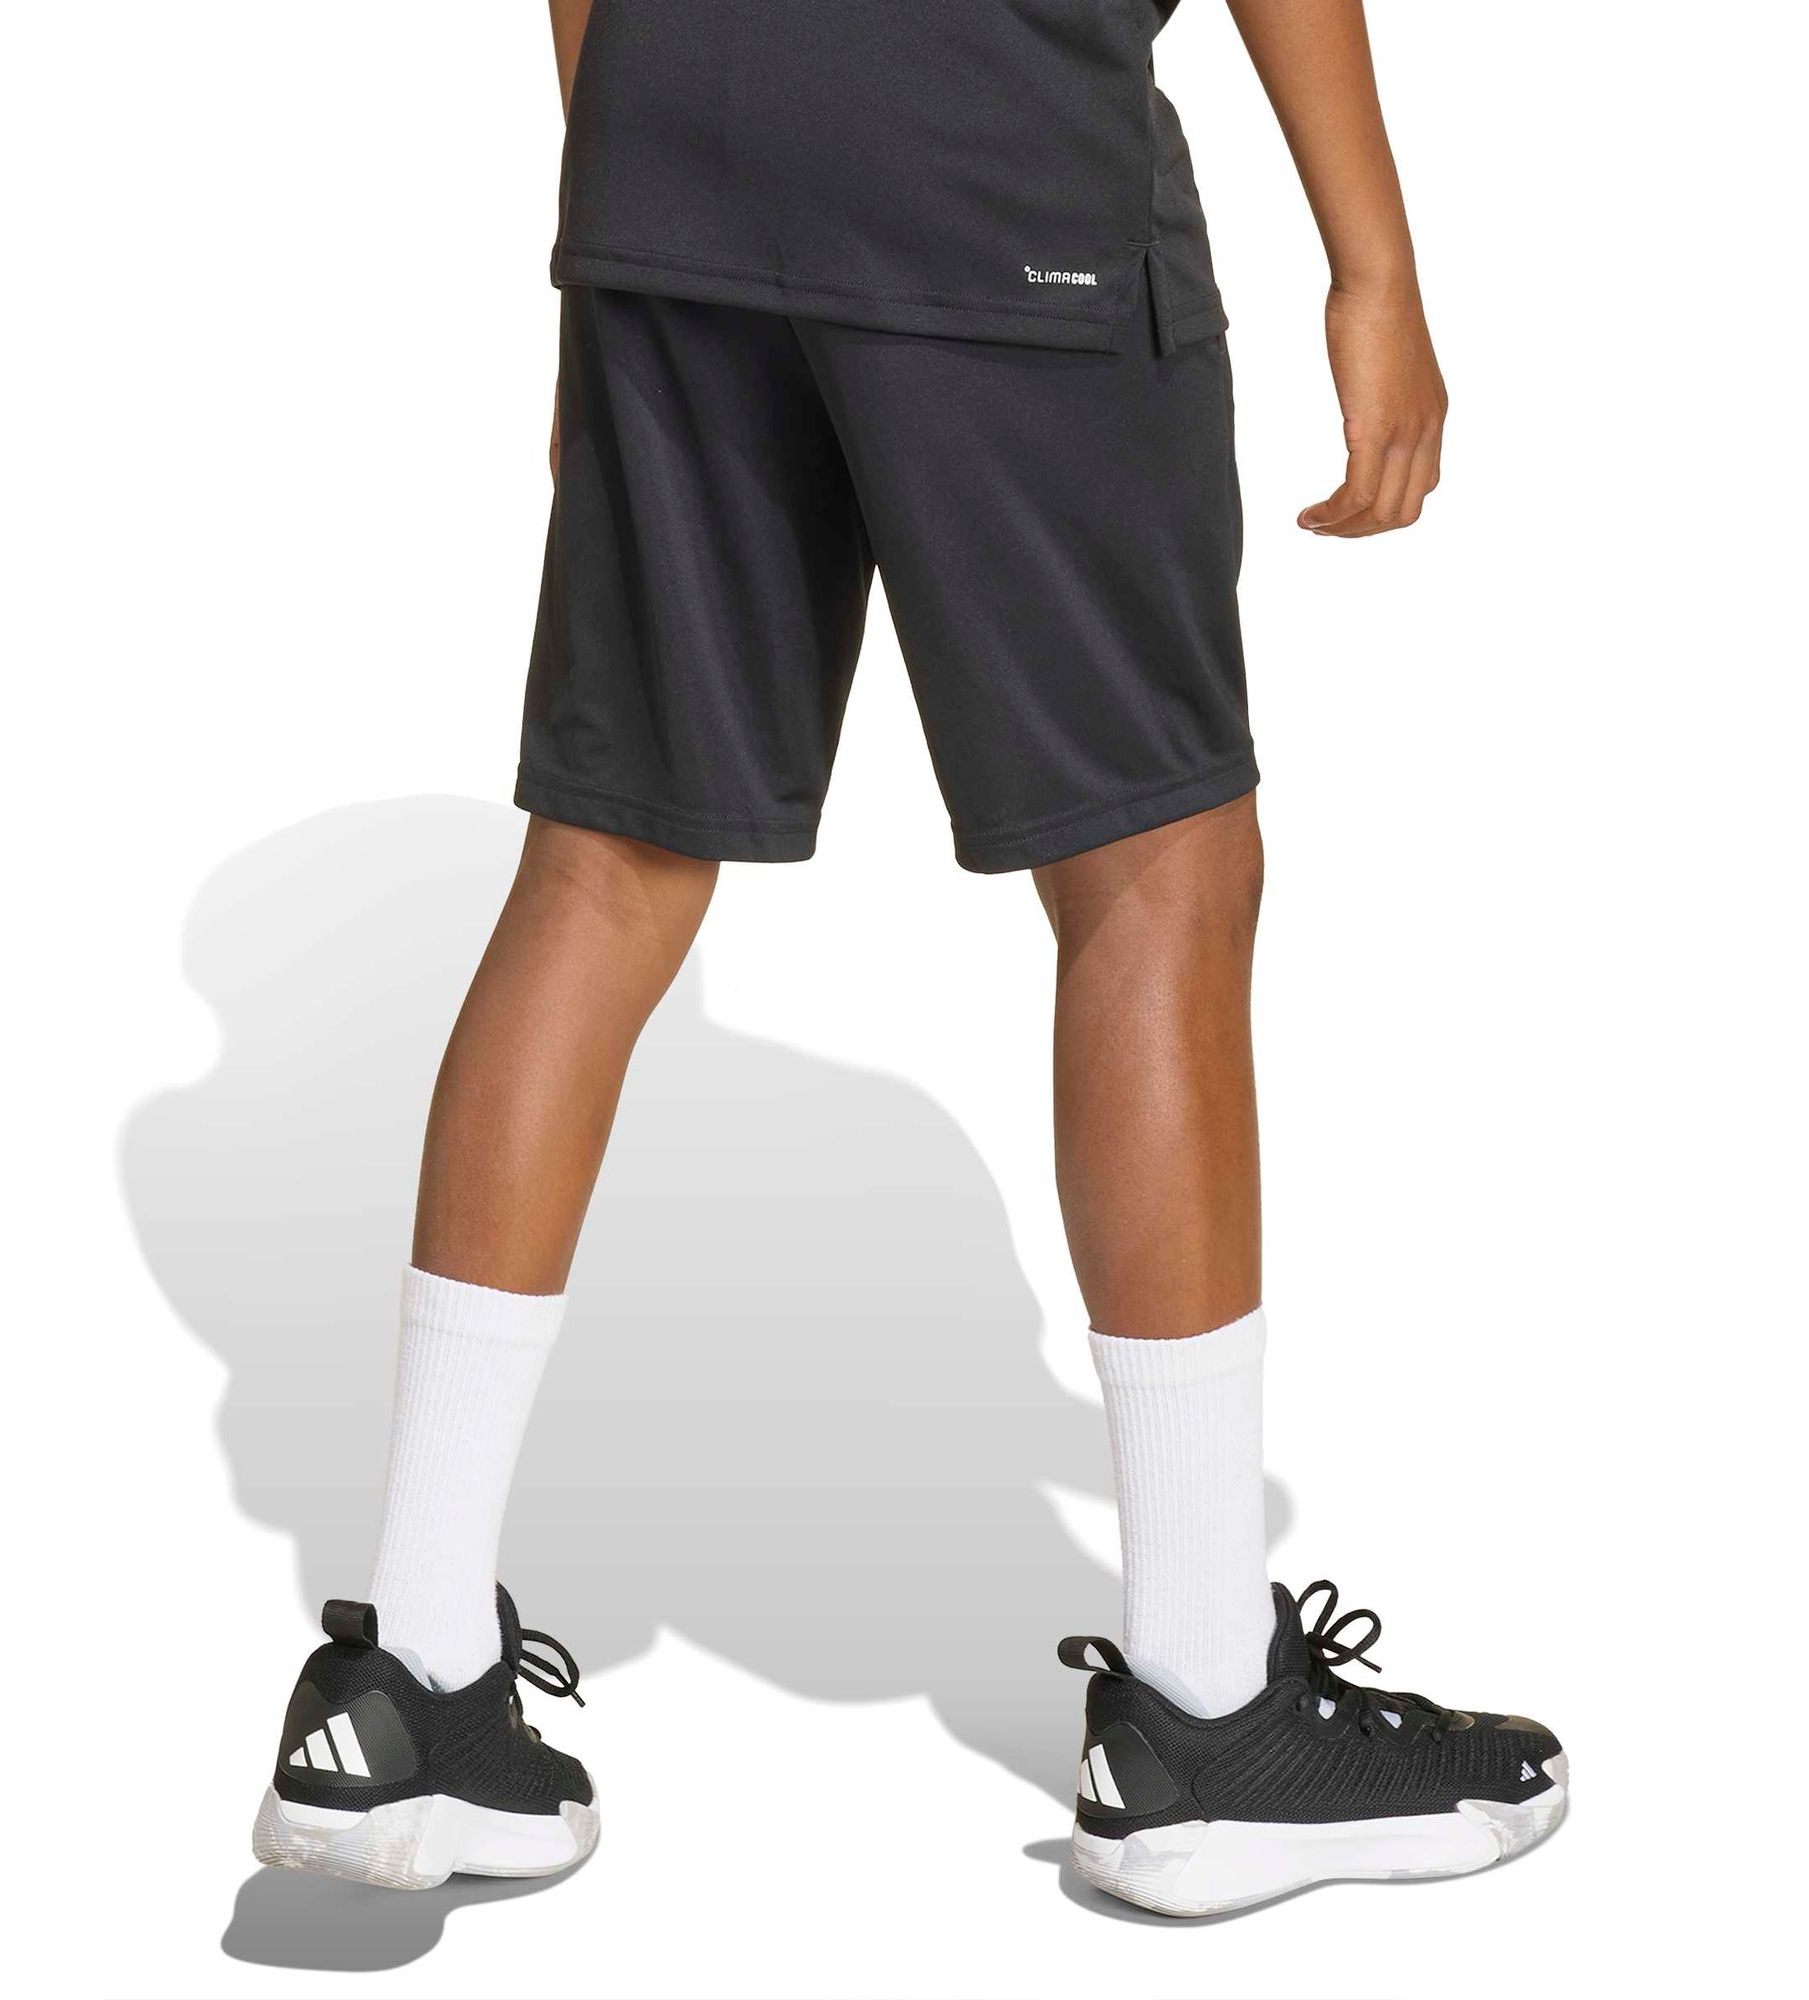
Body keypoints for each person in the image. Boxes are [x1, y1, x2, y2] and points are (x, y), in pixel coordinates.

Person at [251, 0, 1566, 1914]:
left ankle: (412, 1689)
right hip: (991, 153)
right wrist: (1373, 261)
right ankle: (1211, 1722)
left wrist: (627, 226)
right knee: (1158, 874)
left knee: (604, 867)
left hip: (671, 154)